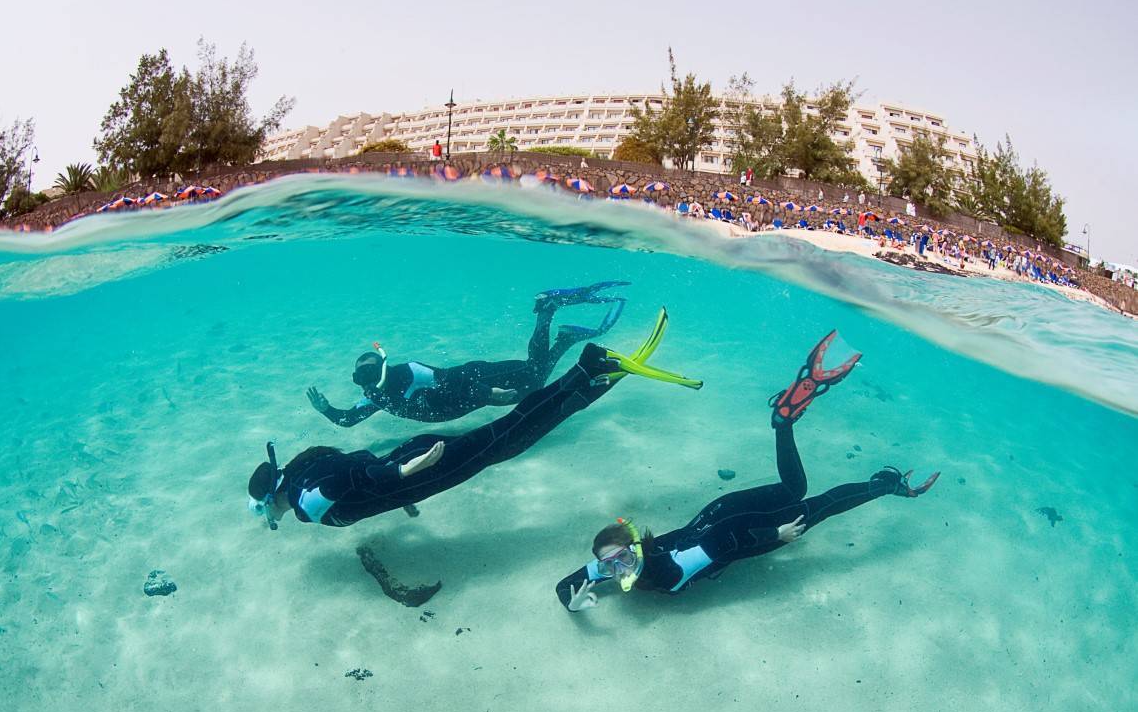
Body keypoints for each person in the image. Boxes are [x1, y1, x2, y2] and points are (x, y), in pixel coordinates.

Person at [555, 331, 939, 611]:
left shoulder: (669, 572)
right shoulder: (620, 565)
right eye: (611, 563)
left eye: (622, 556)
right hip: (717, 510)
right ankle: (785, 422)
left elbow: (727, 539)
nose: (619, 566)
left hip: (742, 531)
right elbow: (566, 584)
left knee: (817, 506)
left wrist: (777, 534)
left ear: (635, 546)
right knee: (795, 488)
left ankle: (888, 485)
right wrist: (575, 601)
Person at [248, 310, 703, 529]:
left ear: (271, 500)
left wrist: (402, 474)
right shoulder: (303, 470)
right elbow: (350, 469)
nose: (265, 517)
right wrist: (395, 488)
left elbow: (350, 477)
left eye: (260, 511)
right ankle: (598, 375)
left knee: (512, 434)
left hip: (426, 462)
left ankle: (590, 365)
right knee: (511, 435)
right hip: (413, 461)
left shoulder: (308, 502)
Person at [307, 282, 628, 427]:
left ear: (384, 368)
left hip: (478, 377)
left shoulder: (409, 373)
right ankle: (561, 332)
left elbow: (449, 383)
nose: (365, 383)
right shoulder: (375, 397)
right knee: (535, 379)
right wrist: (325, 410)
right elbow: (348, 420)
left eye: (370, 373)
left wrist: (489, 394)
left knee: (533, 378)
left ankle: (548, 311)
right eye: (359, 377)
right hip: (475, 390)